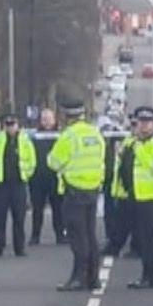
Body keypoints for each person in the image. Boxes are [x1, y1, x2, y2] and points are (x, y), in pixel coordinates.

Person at [45, 94, 106, 292]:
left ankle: (78, 278)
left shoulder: (69, 136)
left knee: (77, 237)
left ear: (65, 116)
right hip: (93, 190)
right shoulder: (95, 134)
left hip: (74, 191)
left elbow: (53, 162)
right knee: (90, 234)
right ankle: (93, 277)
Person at [116, 105, 153, 289]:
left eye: (148, 123)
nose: (143, 126)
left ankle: (150, 276)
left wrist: (139, 148)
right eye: (141, 122)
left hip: (149, 197)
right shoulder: (130, 142)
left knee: (148, 239)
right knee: (134, 236)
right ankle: (142, 274)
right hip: (131, 196)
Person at [0, 113, 35, 257]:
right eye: (7, 125)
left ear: (18, 125)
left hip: (18, 183)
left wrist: (26, 175)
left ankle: (19, 247)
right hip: (0, 184)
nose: (10, 128)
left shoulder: (25, 141)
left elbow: (32, 161)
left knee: (19, 217)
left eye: (12, 125)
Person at [29, 110, 66, 245]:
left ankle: (60, 235)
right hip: (37, 178)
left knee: (58, 209)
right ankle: (35, 236)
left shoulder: (61, 135)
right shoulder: (34, 136)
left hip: (55, 177)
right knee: (37, 209)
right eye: (44, 119)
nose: (46, 122)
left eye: (49, 119)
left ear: (54, 120)